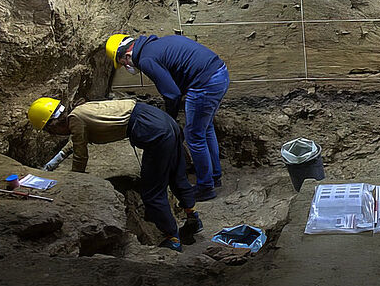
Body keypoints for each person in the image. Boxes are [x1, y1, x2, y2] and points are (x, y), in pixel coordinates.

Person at [28, 97, 203, 252]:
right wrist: (51, 164)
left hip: (155, 132)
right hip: (163, 120)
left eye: (50, 132)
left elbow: (81, 155)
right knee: (176, 175)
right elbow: (76, 141)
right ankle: (192, 217)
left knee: (152, 192)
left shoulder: (76, 120)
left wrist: (75, 181)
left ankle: (172, 238)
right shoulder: (80, 111)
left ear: (53, 125)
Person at [106, 34, 229, 202]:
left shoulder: (146, 60)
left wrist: (168, 121)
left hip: (204, 83)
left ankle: (205, 187)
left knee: (194, 135)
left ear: (127, 55)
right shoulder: (155, 45)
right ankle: (214, 177)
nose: (127, 66)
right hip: (219, 73)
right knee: (205, 129)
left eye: (123, 63)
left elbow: (172, 94)